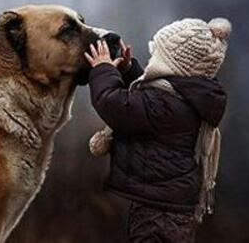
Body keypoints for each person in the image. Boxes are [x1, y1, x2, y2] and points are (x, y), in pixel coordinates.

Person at [84, 18, 231, 243]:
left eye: (157, 55)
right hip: (172, 206)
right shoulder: (184, 98)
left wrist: (103, 69)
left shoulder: (163, 105)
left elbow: (113, 104)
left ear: (173, 65)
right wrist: (128, 69)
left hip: (156, 212)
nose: (152, 59)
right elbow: (146, 102)